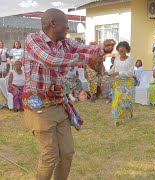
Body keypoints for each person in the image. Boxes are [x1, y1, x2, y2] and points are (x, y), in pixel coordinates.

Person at [22, 8, 115, 180]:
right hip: (39, 108)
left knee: (67, 154)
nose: (68, 27)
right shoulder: (33, 39)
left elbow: (85, 49)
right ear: (53, 23)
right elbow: (50, 59)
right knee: (50, 156)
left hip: (60, 105)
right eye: (65, 22)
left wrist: (103, 48)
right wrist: (84, 59)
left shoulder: (65, 43)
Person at [106, 41, 134, 126]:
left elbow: (131, 73)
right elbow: (114, 69)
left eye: (123, 50)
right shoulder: (117, 59)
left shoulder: (130, 59)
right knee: (117, 100)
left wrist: (119, 73)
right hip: (118, 83)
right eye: (120, 50)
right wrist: (107, 72)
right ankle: (117, 119)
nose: (121, 52)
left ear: (127, 50)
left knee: (126, 101)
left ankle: (129, 111)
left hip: (127, 83)